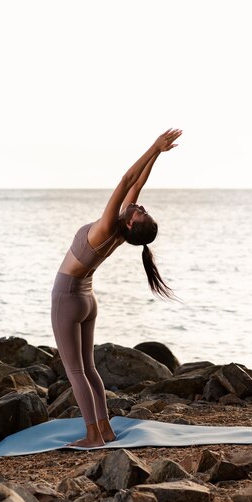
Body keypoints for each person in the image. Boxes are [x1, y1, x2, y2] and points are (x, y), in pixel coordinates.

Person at [51, 128, 182, 447]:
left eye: (140, 212)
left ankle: (93, 435)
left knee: (75, 372)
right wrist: (157, 156)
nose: (139, 206)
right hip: (87, 299)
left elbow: (126, 180)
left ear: (132, 224)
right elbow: (137, 184)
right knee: (89, 369)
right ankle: (105, 429)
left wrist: (152, 146)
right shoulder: (121, 231)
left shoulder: (109, 225)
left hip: (67, 298)